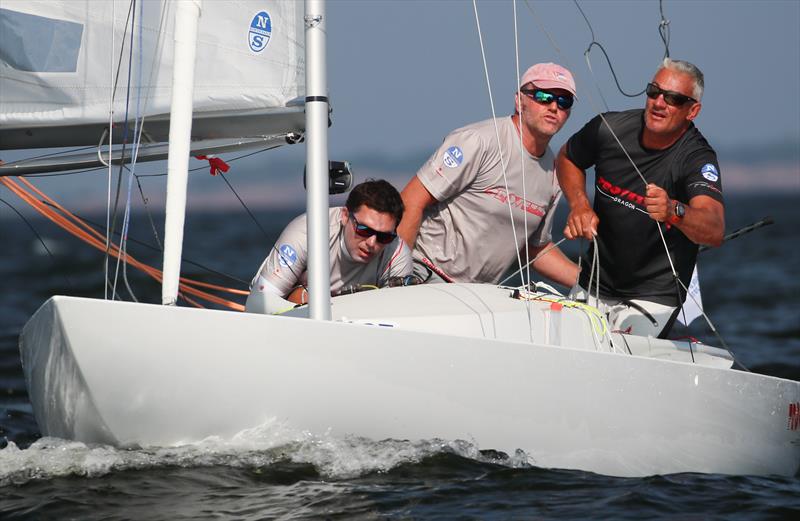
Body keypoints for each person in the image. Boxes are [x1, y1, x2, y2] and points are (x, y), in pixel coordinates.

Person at [556, 58, 725, 337]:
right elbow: (567, 157)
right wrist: (579, 205)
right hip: (593, 282)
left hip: (653, 297)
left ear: (692, 110)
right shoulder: (609, 129)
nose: (659, 103)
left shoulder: (696, 158)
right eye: (654, 91)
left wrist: (674, 210)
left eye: (673, 99)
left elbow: (715, 228)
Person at [397, 63, 580, 286]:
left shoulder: (554, 174)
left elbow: (534, 249)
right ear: (519, 101)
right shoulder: (477, 141)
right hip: (424, 274)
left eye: (564, 102)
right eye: (543, 96)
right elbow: (411, 200)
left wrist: (595, 286)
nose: (553, 107)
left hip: (480, 297)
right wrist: (398, 277)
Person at [246, 179, 413, 314]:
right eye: (364, 230)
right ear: (345, 216)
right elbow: (257, 305)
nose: (372, 243)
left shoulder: (397, 254)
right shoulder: (307, 231)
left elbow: (398, 315)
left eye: (384, 236)